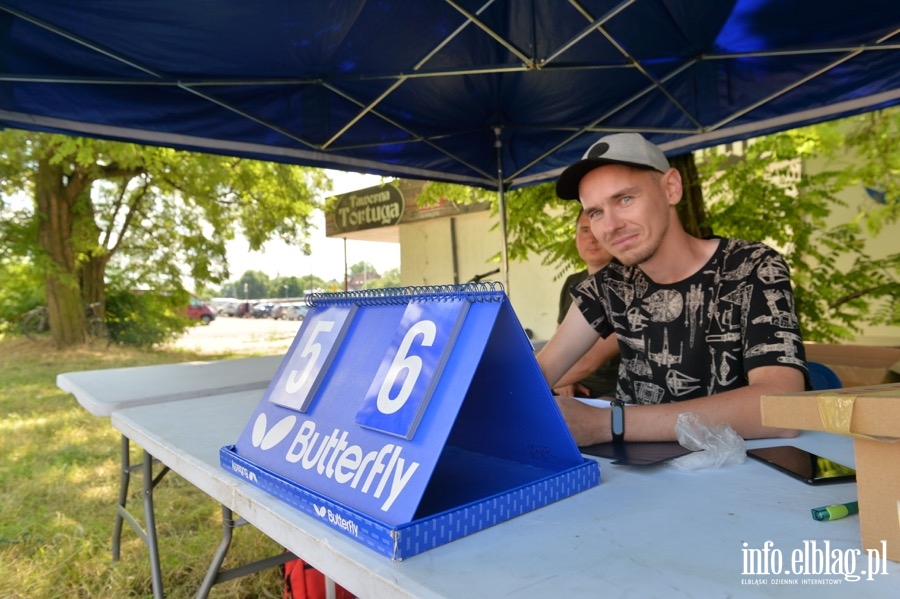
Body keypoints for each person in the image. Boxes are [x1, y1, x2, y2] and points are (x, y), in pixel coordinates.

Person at [537, 132, 808, 446]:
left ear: (671, 188)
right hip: (637, 478)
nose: (609, 227)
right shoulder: (609, 285)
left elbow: (782, 408)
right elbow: (535, 375)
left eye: (624, 199)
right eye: (595, 212)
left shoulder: (752, 266)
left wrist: (610, 424)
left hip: (739, 476)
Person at [553, 208, 620, 398]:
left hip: (611, 392)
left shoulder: (626, 284)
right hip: (570, 382)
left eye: (597, 229)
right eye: (584, 230)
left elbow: (589, 361)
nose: (591, 238)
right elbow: (560, 344)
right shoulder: (572, 283)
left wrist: (557, 378)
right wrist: (566, 380)